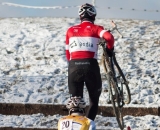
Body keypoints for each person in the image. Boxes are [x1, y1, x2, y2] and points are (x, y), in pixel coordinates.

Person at [65, 3, 114, 121]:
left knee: (76, 104)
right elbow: (110, 38)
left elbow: (68, 55)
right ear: (94, 16)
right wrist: (109, 50)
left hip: (73, 68)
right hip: (90, 66)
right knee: (93, 101)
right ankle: (88, 125)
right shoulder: (97, 29)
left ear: (80, 16)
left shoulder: (70, 30)